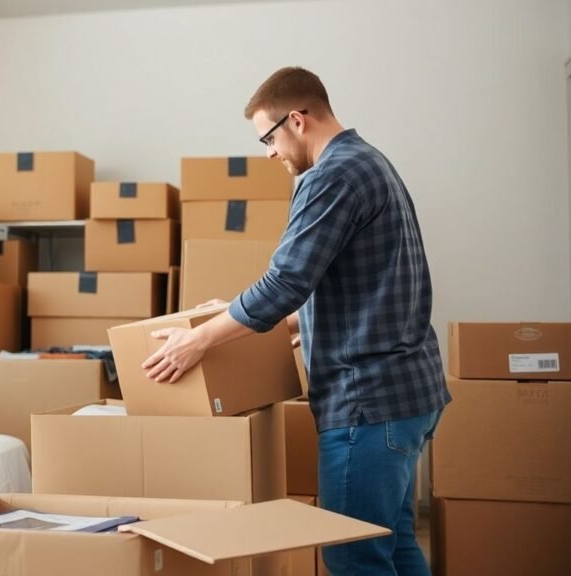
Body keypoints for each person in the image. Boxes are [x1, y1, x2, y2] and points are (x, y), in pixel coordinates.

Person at [142, 67, 449, 575]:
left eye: (268, 136)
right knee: (391, 545)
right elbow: (366, 288)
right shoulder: (370, 162)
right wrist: (274, 325)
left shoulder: (331, 175)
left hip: (367, 404)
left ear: (298, 120)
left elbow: (285, 282)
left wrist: (197, 340)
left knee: (351, 555)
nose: (268, 152)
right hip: (406, 396)